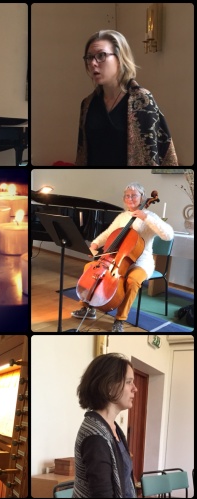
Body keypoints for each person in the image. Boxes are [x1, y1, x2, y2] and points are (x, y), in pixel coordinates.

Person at [72, 182, 174, 332]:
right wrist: (94, 244)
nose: (130, 198)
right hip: (117, 258)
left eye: (134, 195)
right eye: (127, 195)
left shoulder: (150, 216)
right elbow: (108, 233)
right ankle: (87, 307)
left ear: (142, 197)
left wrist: (146, 217)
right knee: (90, 268)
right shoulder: (122, 217)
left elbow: (168, 235)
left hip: (141, 262)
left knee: (132, 281)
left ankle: (120, 319)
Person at [75, 30, 178, 166]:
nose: (93, 63)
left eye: (101, 55)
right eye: (89, 58)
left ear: (120, 58)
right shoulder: (87, 104)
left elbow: (158, 153)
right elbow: (83, 155)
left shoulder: (142, 100)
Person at [73, 353, 137, 498]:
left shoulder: (111, 427)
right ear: (109, 386)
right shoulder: (96, 437)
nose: (135, 388)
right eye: (129, 382)